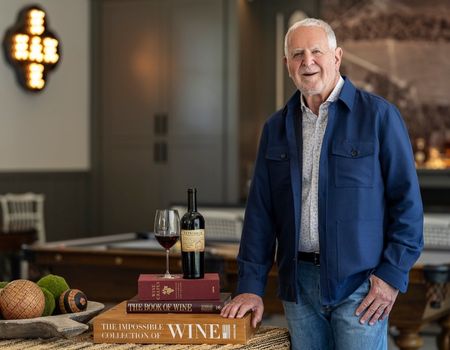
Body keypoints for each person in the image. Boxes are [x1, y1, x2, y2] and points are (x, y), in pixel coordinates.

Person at [220, 18, 423, 350]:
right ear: (287, 65)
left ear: (337, 57)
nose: (307, 61)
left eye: (317, 51)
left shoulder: (379, 117)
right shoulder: (275, 128)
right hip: (299, 288)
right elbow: (261, 212)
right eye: (297, 54)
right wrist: (250, 287)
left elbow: (408, 206)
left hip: (361, 285)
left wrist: (389, 277)